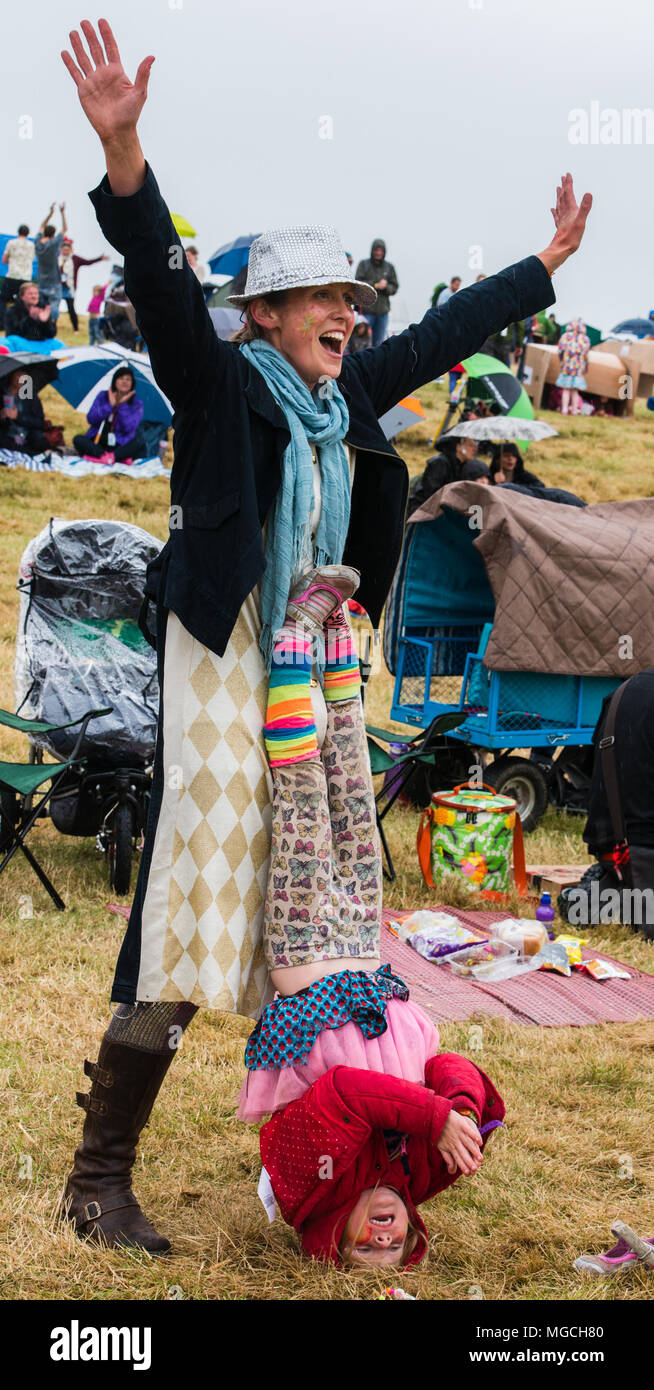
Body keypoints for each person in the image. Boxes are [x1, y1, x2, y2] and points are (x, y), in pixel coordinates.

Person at [59, 18, 590, 1255]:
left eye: (354, 298)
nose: (350, 312)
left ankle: (337, 1120)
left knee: (307, 903)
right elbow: (159, 287)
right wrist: (127, 158)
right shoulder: (225, 379)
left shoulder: (340, 396)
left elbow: (440, 344)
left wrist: (544, 266)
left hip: (317, 673)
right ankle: (99, 1175)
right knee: (192, 901)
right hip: (225, 656)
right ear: (270, 311)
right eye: (327, 296)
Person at [237, 568, 505, 1267]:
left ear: (330, 1236)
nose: (385, 1234)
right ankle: (335, 641)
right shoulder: (417, 1175)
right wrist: (462, 1113)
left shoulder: (304, 1187)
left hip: (308, 969)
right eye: (399, 1246)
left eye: (367, 1249)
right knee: (355, 793)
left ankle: (296, 631)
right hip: (369, 973)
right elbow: (452, 1065)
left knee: (305, 796)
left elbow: (351, 1091)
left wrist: (435, 1116)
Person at [72, 367, 144, 463]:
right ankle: (106, 457)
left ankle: (108, 457)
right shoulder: (103, 396)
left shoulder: (136, 403)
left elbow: (128, 428)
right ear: (115, 380)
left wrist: (121, 405)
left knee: (139, 441)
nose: (124, 382)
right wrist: (110, 405)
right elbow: (91, 418)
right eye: (121, 378)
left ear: (132, 383)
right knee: (78, 439)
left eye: (128, 379)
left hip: (120, 444)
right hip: (98, 440)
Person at [407, 435, 481, 515]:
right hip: (422, 510)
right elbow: (431, 494)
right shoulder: (440, 463)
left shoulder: (462, 465)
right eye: (470, 445)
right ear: (458, 447)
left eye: (476, 445)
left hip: (440, 510)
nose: (475, 449)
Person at [59, 238, 109, 332]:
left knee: (71, 308)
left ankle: (76, 329)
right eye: (64, 249)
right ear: (61, 249)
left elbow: (88, 262)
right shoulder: (57, 258)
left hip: (70, 288)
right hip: (58, 286)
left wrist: (99, 259)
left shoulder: (75, 259)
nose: (65, 251)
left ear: (70, 250)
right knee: (54, 307)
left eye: (67, 250)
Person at [355, 238, 399, 346]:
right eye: (376, 250)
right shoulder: (363, 265)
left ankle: (375, 363)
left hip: (382, 314)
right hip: (366, 312)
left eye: (381, 251)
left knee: (378, 345)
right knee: (362, 343)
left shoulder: (389, 267)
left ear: (384, 252)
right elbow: (357, 283)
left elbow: (394, 287)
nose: (378, 253)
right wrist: (375, 285)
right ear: (372, 251)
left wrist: (386, 287)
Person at [0, 368, 50, 455]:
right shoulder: (2, 393)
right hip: (7, 435)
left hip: (27, 436)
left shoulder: (30, 396)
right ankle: (31, 453)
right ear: (11, 374)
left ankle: (31, 452)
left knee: (39, 440)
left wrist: (18, 416)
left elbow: (39, 422)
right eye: (18, 375)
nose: (21, 379)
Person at [34, 202, 68, 327]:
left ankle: (40, 323)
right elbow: (64, 229)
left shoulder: (38, 243)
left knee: (41, 304)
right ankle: (52, 324)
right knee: (54, 304)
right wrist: (62, 212)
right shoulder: (54, 244)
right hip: (54, 280)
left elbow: (42, 225)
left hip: (41, 280)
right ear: (53, 234)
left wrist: (50, 213)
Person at [0, 224, 34, 330]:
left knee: (3, 299)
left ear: (18, 232)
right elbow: (32, 259)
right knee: (23, 302)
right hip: (25, 277)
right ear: (28, 234)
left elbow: (4, 259)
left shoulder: (12, 243)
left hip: (13, 275)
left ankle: (2, 324)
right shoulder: (31, 245)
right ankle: (22, 324)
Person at [556, 316, 590, 414]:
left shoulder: (565, 336)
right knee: (575, 391)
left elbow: (560, 351)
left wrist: (561, 361)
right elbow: (587, 355)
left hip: (567, 367)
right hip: (578, 369)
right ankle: (574, 411)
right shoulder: (585, 339)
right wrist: (586, 366)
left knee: (566, 390)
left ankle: (564, 409)